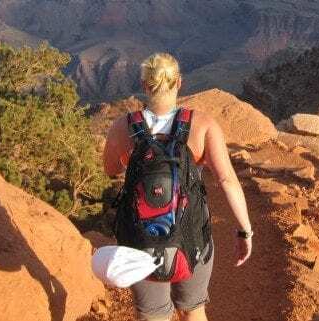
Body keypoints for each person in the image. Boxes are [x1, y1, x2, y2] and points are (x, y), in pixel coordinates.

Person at [102, 53, 253, 321]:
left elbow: (111, 169)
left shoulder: (123, 127)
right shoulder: (203, 125)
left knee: (153, 314)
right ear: (179, 82)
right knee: (193, 309)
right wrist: (244, 231)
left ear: (145, 85)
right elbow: (227, 181)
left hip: (140, 240)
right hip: (192, 235)